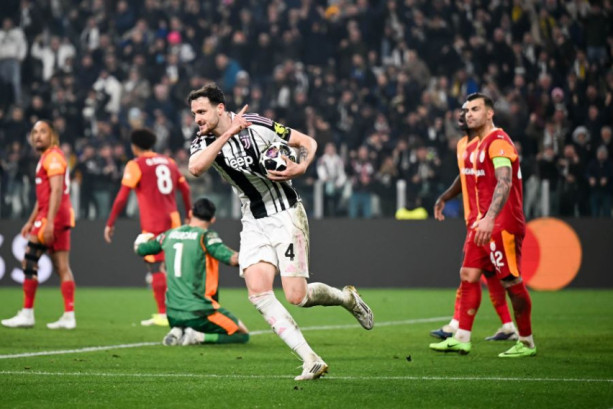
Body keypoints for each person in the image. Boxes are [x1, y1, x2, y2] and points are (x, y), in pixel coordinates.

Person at [187, 83, 373, 381]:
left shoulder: (257, 124)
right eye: (194, 113)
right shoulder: (203, 141)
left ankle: (346, 299)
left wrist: (301, 167)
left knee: (297, 296)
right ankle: (310, 359)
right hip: (253, 220)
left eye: (202, 111)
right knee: (258, 293)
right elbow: (195, 168)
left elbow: (307, 142)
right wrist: (228, 133)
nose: (197, 118)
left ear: (220, 108)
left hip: (285, 213)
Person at [429, 93, 536, 357]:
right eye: (466, 110)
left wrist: (489, 218)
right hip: (481, 224)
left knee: (511, 282)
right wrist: (447, 198)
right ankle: (462, 337)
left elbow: (504, 182)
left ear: (490, 113)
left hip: (501, 224)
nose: (469, 114)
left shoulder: (498, 142)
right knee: (468, 275)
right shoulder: (475, 145)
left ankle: (526, 341)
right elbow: (466, 177)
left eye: (475, 109)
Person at [104, 128, 192, 326]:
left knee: (155, 266)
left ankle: (163, 314)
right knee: (171, 266)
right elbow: (185, 189)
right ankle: (179, 308)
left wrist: (110, 223)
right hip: (174, 220)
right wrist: (189, 214)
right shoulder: (169, 162)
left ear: (134, 146)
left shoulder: (135, 164)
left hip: (154, 222)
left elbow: (121, 197)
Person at [134, 198, 249, 346]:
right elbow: (233, 259)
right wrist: (256, 255)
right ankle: (197, 336)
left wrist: (139, 241)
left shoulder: (169, 234)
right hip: (199, 312)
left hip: (172, 313)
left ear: (190, 213)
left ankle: (179, 329)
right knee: (243, 334)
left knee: (184, 317)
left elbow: (141, 249)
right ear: (212, 219)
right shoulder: (205, 236)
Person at [2, 120, 77, 329]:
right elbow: (44, 195)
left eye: (43, 131)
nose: (37, 136)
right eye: (34, 132)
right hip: (57, 215)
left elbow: (56, 190)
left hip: (52, 216)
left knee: (29, 261)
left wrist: (49, 221)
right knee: (62, 267)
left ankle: (27, 314)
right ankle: (69, 315)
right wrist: (30, 220)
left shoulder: (52, 157)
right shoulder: (48, 157)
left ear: (53, 135)